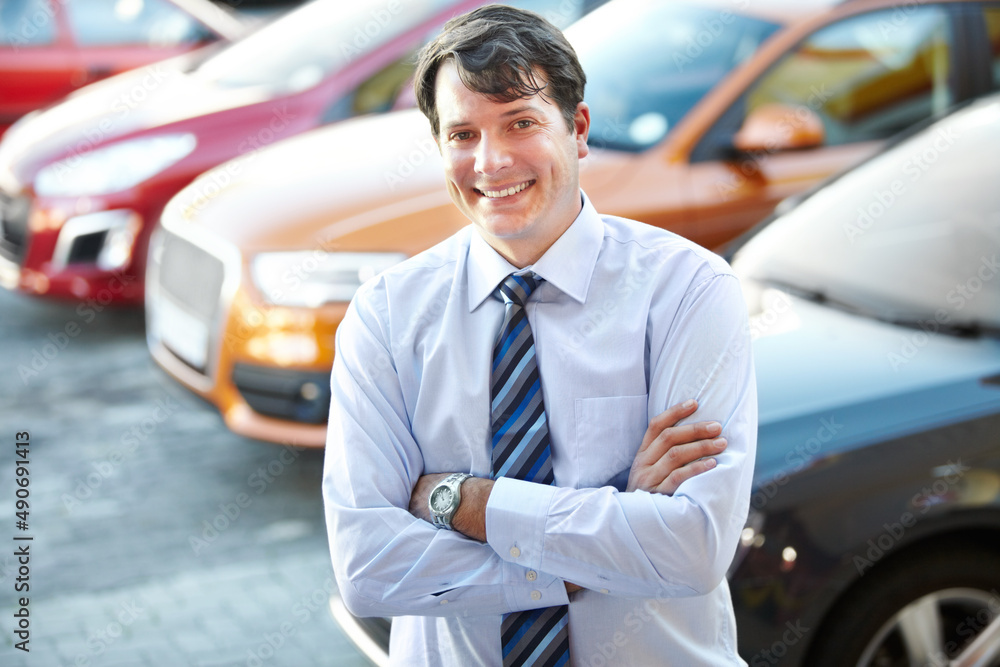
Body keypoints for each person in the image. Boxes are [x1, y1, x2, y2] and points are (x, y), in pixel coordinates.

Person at [322, 5, 757, 665]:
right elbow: (369, 565)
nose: (491, 162)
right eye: (463, 134)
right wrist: (605, 535)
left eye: (520, 123)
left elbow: (693, 546)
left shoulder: (688, 292)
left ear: (577, 129)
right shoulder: (386, 317)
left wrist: (462, 501)